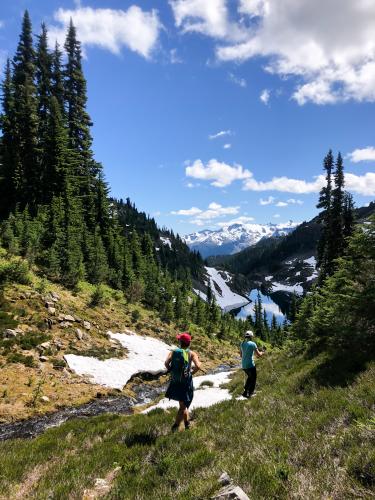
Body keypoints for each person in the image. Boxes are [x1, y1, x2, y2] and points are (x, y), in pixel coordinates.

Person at [164, 332, 201, 431]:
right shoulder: (192, 353)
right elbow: (198, 366)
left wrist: (171, 371)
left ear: (180, 342)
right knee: (183, 405)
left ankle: (187, 423)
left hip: (175, 381)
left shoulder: (173, 352)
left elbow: (166, 363)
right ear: (189, 343)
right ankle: (175, 426)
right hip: (186, 383)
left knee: (182, 405)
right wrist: (191, 373)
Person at [240, 330, 264, 398]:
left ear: (245, 336)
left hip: (244, 365)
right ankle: (250, 393)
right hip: (250, 364)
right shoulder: (253, 344)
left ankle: (245, 392)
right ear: (251, 337)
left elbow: (241, 355)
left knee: (250, 378)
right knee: (253, 379)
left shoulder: (242, 343)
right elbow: (259, 355)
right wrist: (263, 352)